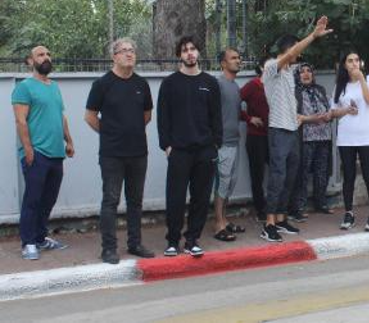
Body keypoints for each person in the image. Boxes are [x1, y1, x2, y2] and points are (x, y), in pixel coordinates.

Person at [261, 17, 333, 243]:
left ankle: (281, 218)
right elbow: (291, 55)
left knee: (291, 175)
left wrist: (299, 117)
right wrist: (312, 36)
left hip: (292, 130)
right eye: (296, 52)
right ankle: (269, 223)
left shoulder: (291, 76)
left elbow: (288, 103)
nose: (299, 56)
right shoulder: (272, 68)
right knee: (277, 176)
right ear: (289, 51)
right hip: (278, 131)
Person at [85, 38, 155, 264]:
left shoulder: (141, 85)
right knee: (111, 200)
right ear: (114, 56)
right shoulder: (102, 84)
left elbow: (146, 116)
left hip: (138, 153)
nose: (129, 54)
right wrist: (111, 134)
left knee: (135, 201)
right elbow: (90, 117)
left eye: (132, 50)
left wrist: (130, 130)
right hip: (112, 154)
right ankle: (109, 248)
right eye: (124, 51)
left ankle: (135, 244)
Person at [157, 36, 222, 257]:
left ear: (199, 53)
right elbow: (162, 118)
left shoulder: (210, 83)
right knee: (175, 197)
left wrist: (216, 144)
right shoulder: (170, 83)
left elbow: (216, 117)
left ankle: (192, 239)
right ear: (179, 55)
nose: (190, 53)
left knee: (201, 198)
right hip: (179, 151)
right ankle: (173, 240)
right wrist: (166, 145)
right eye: (185, 50)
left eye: (193, 49)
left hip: (205, 150)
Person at [12, 45, 74, 261]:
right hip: (36, 153)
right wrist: (28, 150)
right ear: (30, 62)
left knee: (49, 199)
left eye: (48, 53)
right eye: (40, 55)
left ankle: (40, 237)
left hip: (56, 153)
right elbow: (20, 121)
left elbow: (61, 116)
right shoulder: (24, 87)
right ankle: (28, 242)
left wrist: (69, 140)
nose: (46, 57)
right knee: (33, 199)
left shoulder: (54, 86)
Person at [330, 52, 369, 232]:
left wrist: (361, 79)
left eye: (357, 60)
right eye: (350, 61)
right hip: (346, 137)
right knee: (349, 177)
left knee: (368, 175)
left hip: (366, 136)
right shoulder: (340, 86)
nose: (354, 63)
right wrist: (345, 110)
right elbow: (332, 112)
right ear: (344, 65)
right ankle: (349, 212)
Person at [290, 62, 333, 219]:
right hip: (305, 138)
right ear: (297, 75)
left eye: (309, 71)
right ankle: (298, 207)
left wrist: (329, 115)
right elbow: (294, 116)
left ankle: (320, 203)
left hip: (324, 136)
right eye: (302, 72)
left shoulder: (320, 90)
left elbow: (329, 108)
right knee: (302, 173)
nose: (306, 74)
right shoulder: (294, 92)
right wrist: (312, 118)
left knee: (322, 171)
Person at [212, 48, 247, 243]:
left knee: (230, 183)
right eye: (233, 58)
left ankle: (224, 219)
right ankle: (218, 224)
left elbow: (236, 113)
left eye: (238, 58)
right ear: (223, 63)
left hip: (235, 141)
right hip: (222, 143)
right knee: (223, 183)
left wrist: (251, 118)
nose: (238, 61)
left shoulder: (235, 86)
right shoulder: (218, 84)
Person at [240, 59, 270, 222]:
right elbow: (232, 104)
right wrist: (249, 118)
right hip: (256, 137)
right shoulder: (253, 85)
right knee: (257, 175)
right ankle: (261, 210)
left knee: (280, 171)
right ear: (261, 68)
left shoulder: (277, 85)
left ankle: (276, 207)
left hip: (274, 137)